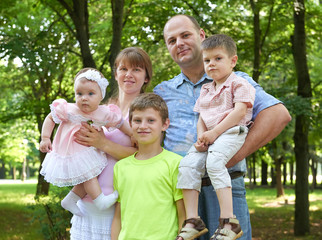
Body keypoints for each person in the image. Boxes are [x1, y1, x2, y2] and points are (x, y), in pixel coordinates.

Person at [154, 14, 291, 240]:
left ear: (201, 36)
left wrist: (228, 158)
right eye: (171, 40)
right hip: (180, 194)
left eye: (185, 35)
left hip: (225, 187)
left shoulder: (236, 80)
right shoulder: (162, 91)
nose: (179, 43)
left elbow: (278, 115)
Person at [176, 34, 255, 240]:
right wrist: (203, 137)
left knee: (214, 163)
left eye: (218, 58)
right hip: (210, 136)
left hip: (230, 132)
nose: (211, 64)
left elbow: (239, 113)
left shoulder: (239, 84)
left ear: (233, 61)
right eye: (207, 60)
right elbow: (201, 116)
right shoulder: (206, 89)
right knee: (187, 165)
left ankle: (229, 222)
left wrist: (214, 133)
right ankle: (193, 221)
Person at [68, 47, 153, 239]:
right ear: (115, 74)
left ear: (146, 77)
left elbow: (146, 156)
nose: (128, 75)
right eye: (123, 69)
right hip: (85, 203)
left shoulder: (146, 112)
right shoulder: (99, 107)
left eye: (137, 69)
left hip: (115, 204)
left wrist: (103, 143)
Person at [39, 67, 133, 215]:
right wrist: (45, 137)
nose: (84, 98)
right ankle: (100, 200)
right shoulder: (69, 109)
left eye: (90, 94)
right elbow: (50, 118)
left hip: (88, 150)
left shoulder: (103, 112)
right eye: (79, 93)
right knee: (89, 175)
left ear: (101, 95)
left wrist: (132, 134)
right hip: (71, 150)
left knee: (89, 175)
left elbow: (119, 122)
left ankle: (70, 199)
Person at [111, 93, 186, 240]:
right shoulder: (120, 167)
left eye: (151, 120)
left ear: (165, 124)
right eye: (137, 120)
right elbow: (118, 217)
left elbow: (183, 215)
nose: (143, 126)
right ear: (130, 124)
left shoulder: (175, 164)